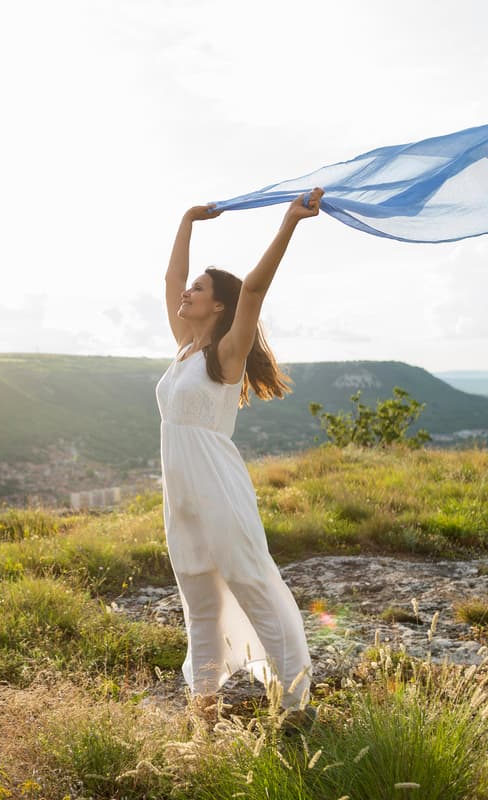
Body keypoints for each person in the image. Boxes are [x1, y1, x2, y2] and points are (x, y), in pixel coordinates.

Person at [155, 188, 324, 728]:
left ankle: (296, 706)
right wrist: (186, 221)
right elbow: (167, 281)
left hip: (218, 487)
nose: (186, 292)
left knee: (251, 584)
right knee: (199, 597)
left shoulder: (224, 356)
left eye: (198, 289)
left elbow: (252, 289)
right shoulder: (186, 345)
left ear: (219, 305)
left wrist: (289, 223)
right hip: (181, 493)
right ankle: (202, 705)